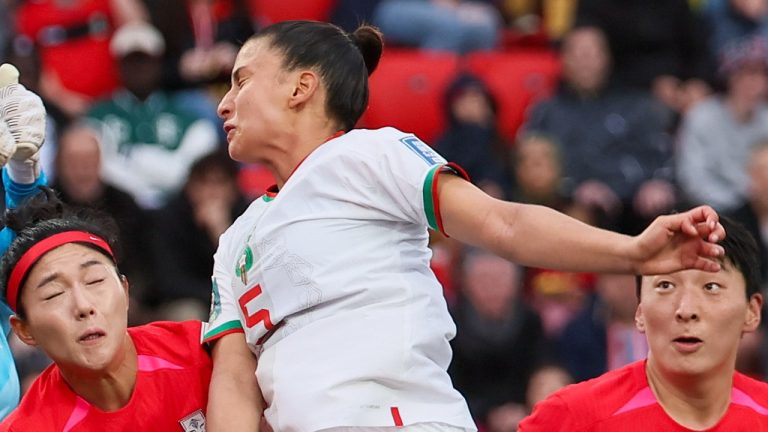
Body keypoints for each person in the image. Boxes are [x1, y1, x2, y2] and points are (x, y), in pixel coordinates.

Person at [205, 20, 726, 432]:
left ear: (301, 87)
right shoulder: (233, 241)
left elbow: (504, 222)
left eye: (242, 79)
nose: (225, 102)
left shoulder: (368, 152)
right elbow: (232, 380)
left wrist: (633, 253)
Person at [519, 217, 768, 431]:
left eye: (711, 287)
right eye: (666, 286)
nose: (686, 310)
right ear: (639, 312)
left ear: (752, 312)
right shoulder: (571, 417)